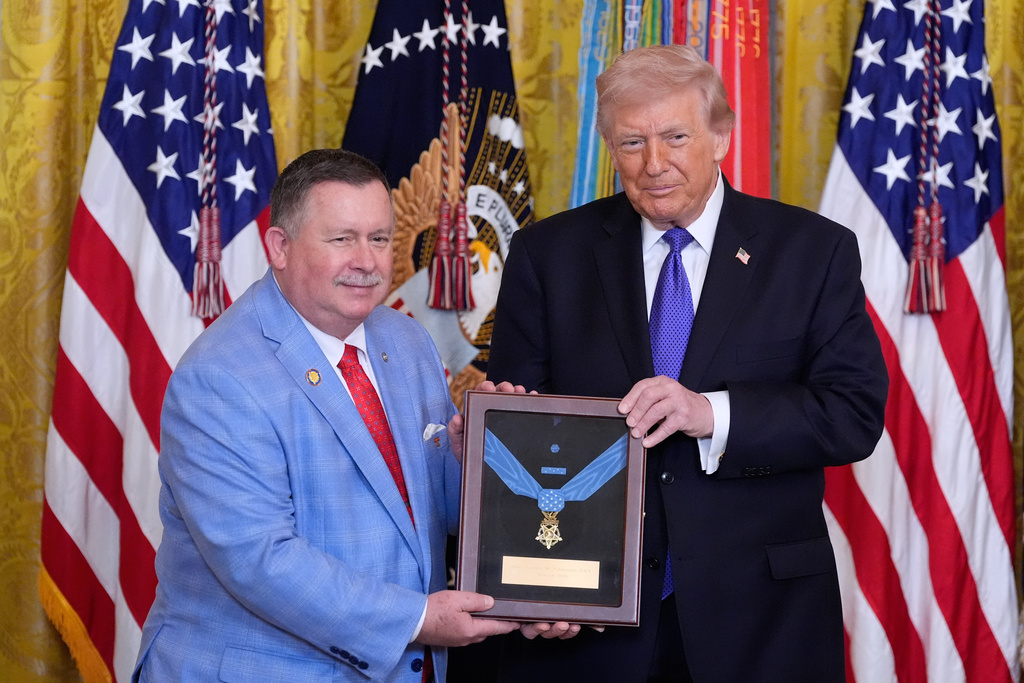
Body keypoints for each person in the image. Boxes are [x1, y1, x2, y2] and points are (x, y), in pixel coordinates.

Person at [480, 45, 888, 682]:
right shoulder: (546, 255)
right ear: (609, 147)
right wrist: (533, 584)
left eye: (675, 136)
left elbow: (853, 415)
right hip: (586, 625)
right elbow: (522, 436)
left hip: (761, 622)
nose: (655, 164)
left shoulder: (813, 252)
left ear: (721, 135)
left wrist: (711, 413)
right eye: (632, 142)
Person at [133, 149, 552, 682]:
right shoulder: (219, 378)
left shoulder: (405, 341)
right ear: (279, 247)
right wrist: (419, 618)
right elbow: (260, 560)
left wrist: (473, 459)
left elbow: (428, 508)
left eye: (379, 239)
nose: (367, 261)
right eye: (342, 239)